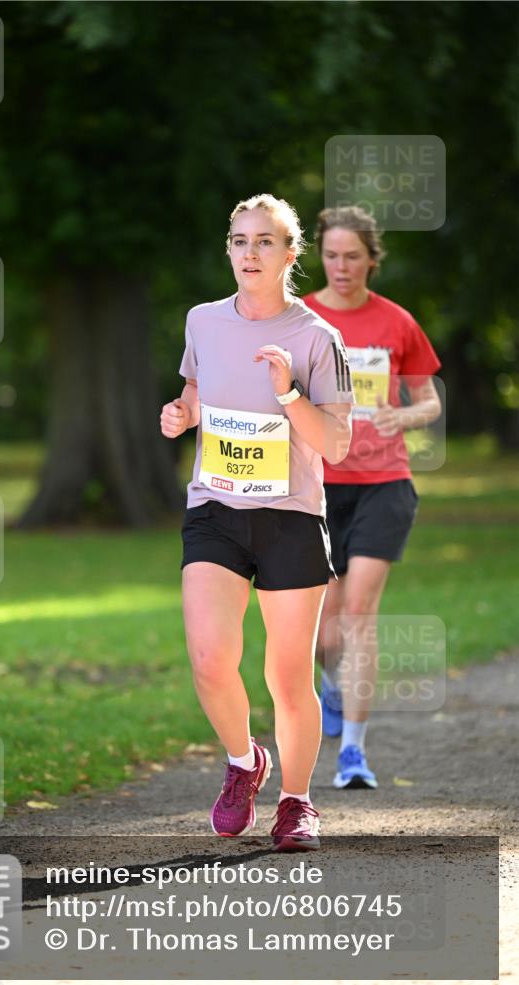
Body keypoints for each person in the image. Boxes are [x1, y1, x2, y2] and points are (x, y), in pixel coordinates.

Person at [160, 194, 354, 851]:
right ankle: (244, 761)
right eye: (239, 240)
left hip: (290, 516)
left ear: (289, 254)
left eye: (264, 242)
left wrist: (287, 393)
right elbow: (194, 390)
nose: (249, 252)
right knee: (211, 659)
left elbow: (335, 443)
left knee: (286, 676)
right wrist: (181, 415)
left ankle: (296, 803)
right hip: (214, 509)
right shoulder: (202, 322)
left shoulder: (316, 338)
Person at [304, 205, 442, 790]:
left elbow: (430, 401)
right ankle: (330, 688)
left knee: (359, 613)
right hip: (315, 485)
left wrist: (402, 415)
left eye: (352, 256)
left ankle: (353, 754)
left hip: (384, 483)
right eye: (332, 255)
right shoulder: (300, 317)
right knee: (321, 627)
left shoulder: (396, 322)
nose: (341, 267)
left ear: (371, 260)